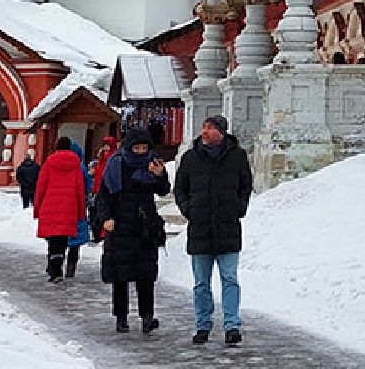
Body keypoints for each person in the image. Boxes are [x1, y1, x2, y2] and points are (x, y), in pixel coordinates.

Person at [174, 114, 252, 346]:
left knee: (230, 279)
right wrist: (189, 210)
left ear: (221, 132)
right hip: (200, 229)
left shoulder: (237, 156)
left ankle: (232, 326)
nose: (204, 132)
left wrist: (239, 207)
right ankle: (202, 325)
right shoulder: (190, 158)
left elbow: (246, 184)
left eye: (209, 128)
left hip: (228, 228)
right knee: (201, 283)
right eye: (204, 127)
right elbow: (180, 188)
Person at [95, 128, 169, 334]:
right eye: (137, 147)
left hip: (145, 228)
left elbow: (163, 190)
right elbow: (103, 196)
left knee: (146, 275)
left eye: (144, 147)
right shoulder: (115, 165)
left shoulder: (152, 164)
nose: (140, 151)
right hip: (119, 226)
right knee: (121, 275)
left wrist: (160, 175)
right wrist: (106, 218)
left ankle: (147, 316)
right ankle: (121, 317)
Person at [33, 138, 88, 282]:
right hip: (69, 207)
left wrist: (37, 208)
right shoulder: (76, 165)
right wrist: (81, 212)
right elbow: (80, 190)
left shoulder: (48, 163)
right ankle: (58, 266)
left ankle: (54, 268)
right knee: (63, 239)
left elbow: (41, 187)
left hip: (50, 205)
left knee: (53, 239)